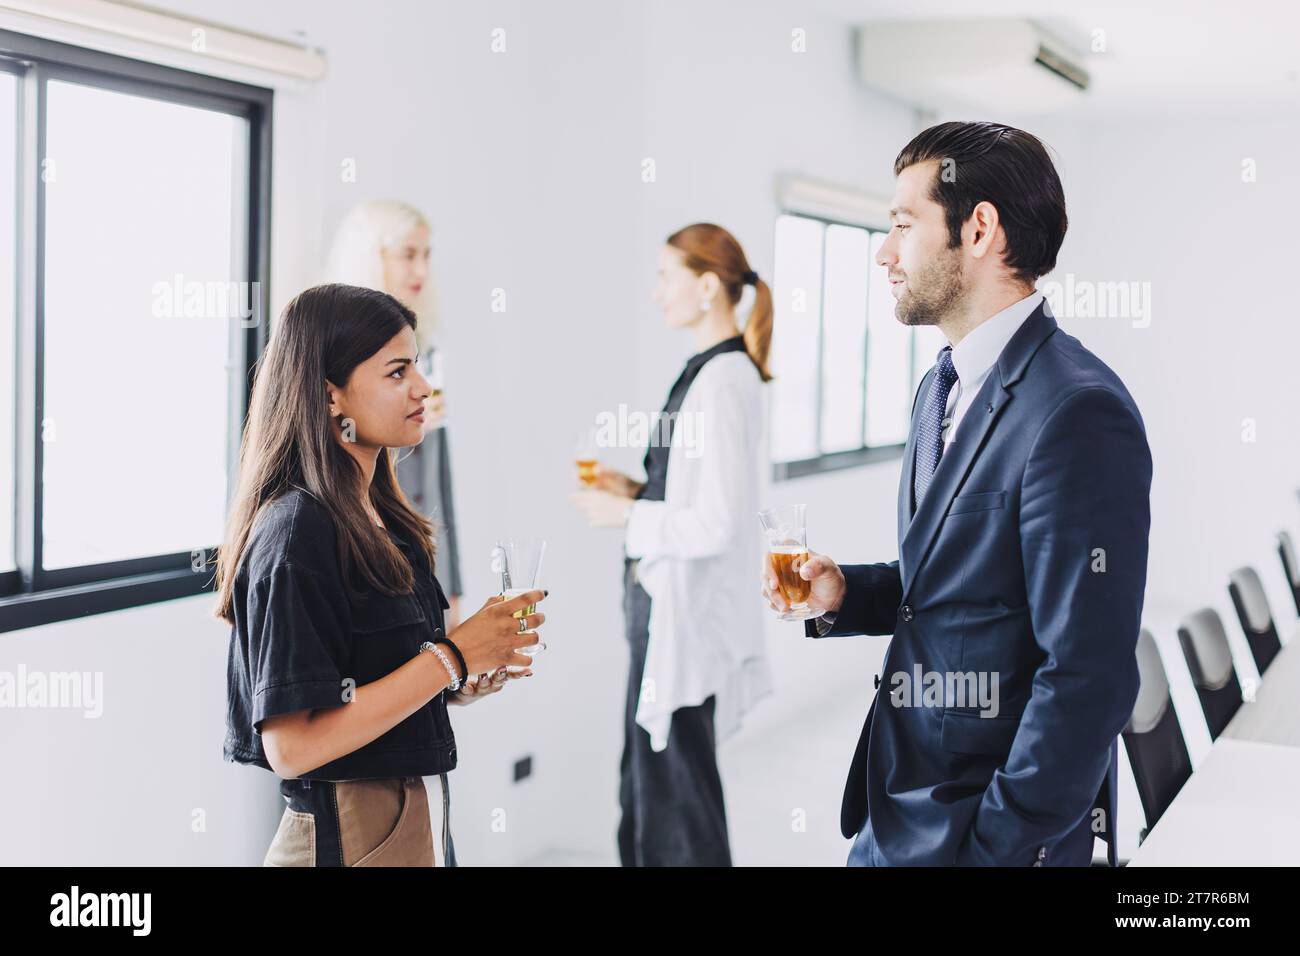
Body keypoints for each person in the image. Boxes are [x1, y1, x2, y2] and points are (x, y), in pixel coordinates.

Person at [763, 121, 1152, 867]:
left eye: (903, 225)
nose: (884, 251)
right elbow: (961, 591)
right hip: (900, 805)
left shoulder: (1078, 412)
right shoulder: (939, 387)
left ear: (978, 230)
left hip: (984, 833)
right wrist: (848, 593)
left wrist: (998, 844)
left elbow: (1088, 675)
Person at [216, 283, 545, 866]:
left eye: (416, 366)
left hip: (414, 817)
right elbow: (291, 747)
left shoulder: (387, 518)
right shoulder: (297, 533)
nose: (422, 388)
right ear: (329, 397)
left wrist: (462, 676)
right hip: (347, 832)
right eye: (397, 373)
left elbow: (386, 677)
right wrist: (452, 657)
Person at [572, 223, 774, 866]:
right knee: (649, 790)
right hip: (663, 612)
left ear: (708, 285)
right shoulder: (713, 373)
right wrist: (636, 491)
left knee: (674, 803)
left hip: (680, 618)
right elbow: (690, 495)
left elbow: (717, 523)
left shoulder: (720, 381)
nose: (657, 292)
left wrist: (623, 518)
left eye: (667, 277)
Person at [325, 199, 464, 629]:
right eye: (408, 255)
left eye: (427, 255)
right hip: (361, 558)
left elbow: (437, 484)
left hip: (414, 557)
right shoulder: (329, 346)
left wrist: (449, 582)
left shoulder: (426, 345)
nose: (422, 271)